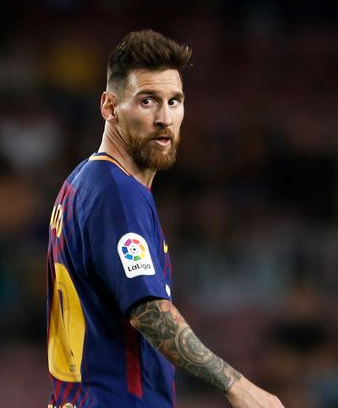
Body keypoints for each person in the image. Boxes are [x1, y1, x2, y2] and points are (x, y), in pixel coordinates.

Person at [46, 29, 284, 408]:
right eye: (147, 101)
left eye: (174, 101)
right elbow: (148, 311)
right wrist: (237, 385)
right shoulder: (117, 193)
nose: (164, 118)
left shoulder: (83, 182)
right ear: (108, 107)